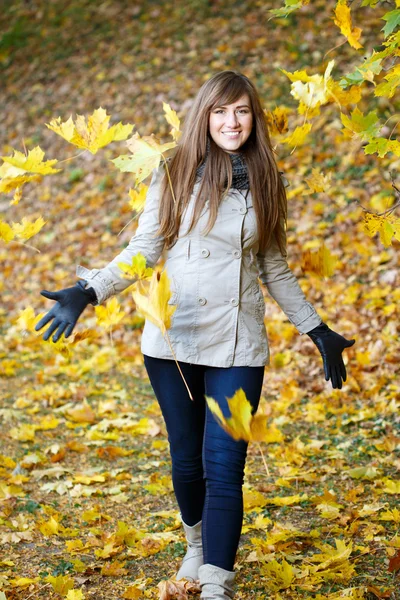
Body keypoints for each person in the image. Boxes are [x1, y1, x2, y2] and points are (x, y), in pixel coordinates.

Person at [35, 71, 355, 599]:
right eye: (221, 112)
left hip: (238, 345)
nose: (232, 122)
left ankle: (215, 586)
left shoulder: (268, 180)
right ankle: (195, 547)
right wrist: (91, 290)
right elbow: (146, 247)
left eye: (243, 112)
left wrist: (316, 329)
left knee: (225, 464)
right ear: (204, 117)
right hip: (174, 341)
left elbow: (273, 266)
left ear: (254, 118)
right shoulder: (174, 171)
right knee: (187, 462)